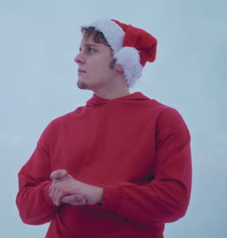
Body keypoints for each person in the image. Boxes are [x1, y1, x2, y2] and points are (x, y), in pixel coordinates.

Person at [15, 19, 192, 238]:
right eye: (80, 50)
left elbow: (173, 201)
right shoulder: (58, 128)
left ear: (121, 62)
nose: (77, 57)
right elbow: (26, 209)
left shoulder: (163, 119)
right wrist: (52, 192)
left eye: (91, 50)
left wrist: (99, 195)